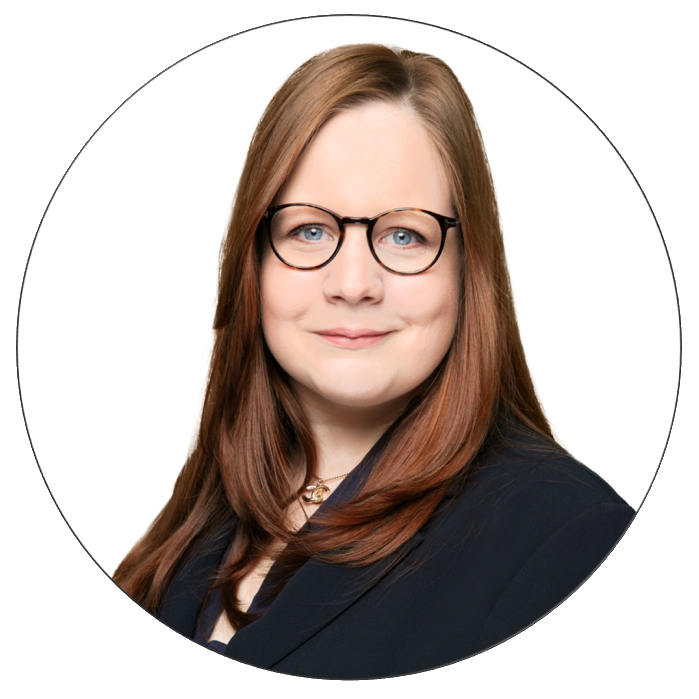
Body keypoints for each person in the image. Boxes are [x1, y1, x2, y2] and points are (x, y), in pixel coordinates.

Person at [113, 44, 634, 678]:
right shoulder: (208, 506)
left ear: (468, 266)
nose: (354, 283)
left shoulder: (573, 539)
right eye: (309, 230)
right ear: (254, 259)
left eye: (404, 234)